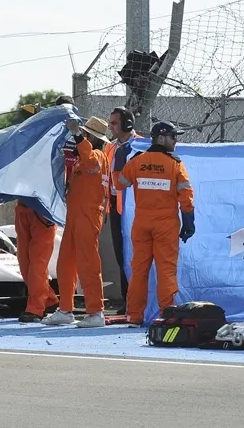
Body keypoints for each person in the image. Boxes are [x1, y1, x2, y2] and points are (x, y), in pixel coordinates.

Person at [114, 121, 195, 327]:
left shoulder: (137, 162)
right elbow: (186, 195)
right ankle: (167, 315)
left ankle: (134, 316)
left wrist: (119, 161)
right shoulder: (174, 164)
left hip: (141, 224)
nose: (176, 141)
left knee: (139, 270)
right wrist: (188, 221)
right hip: (166, 225)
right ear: (161, 138)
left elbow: (119, 184)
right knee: (166, 270)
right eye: (173, 137)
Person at [42, 117, 112, 328]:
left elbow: (90, 159)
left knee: (88, 264)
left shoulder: (97, 156)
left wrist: (77, 135)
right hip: (77, 216)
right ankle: (65, 309)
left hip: (87, 215)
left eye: (85, 134)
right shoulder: (87, 159)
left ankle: (96, 312)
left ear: (91, 137)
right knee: (66, 263)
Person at [105, 106, 140, 315]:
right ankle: (127, 300)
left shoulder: (141, 145)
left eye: (114, 123)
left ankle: (136, 300)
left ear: (127, 124)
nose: (110, 127)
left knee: (135, 255)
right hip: (115, 207)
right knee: (121, 255)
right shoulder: (110, 148)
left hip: (134, 209)